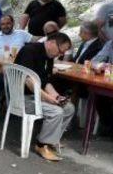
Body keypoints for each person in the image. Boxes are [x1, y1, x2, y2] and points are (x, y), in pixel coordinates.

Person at [14, 33, 75, 161]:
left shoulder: (48, 57)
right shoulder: (29, 51)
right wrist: (48, 98)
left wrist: (57, 97)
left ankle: (51, 140)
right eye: (60, 50)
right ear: (51, 42)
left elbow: (45, 82)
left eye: (63, 53)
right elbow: (29, 82)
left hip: (35, 96)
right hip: (21, 98)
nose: (60, 55)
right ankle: (41, 145)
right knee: (56, 111)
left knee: (69, 108)